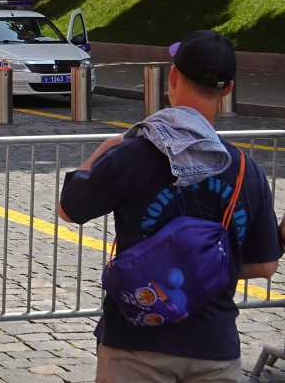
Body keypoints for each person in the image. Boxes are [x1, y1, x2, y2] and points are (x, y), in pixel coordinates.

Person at [57, 30, 282, 382]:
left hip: (135, 343)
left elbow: (69, 208)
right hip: (214, 348)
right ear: (228, 90)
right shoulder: (245, 170)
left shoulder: (133, 152)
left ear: (172, 78)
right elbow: (266, 265)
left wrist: (109, 146)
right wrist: (200, 268)